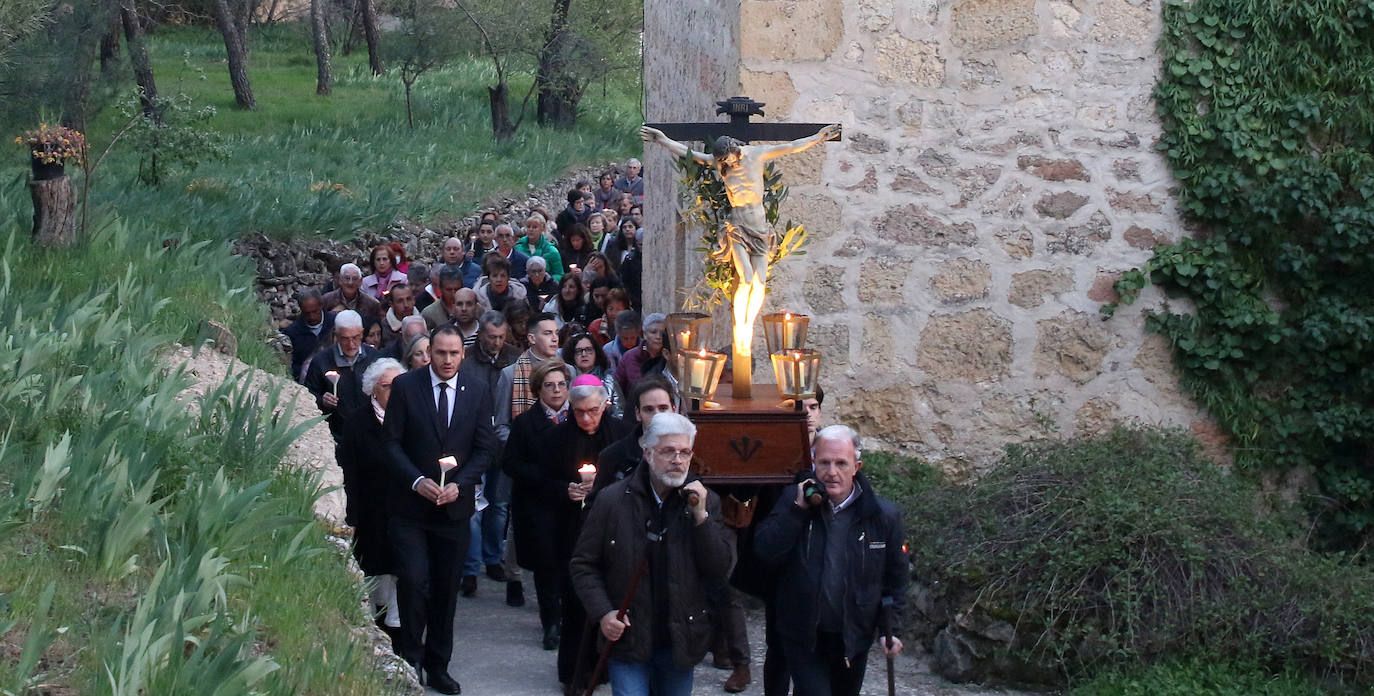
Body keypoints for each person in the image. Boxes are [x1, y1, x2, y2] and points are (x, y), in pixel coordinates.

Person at [642, 123, 840, 366]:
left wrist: (817, 138)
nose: (729, 164)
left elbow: (790, 146)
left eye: (730, 159)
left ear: (737, 150)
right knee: (745, 278)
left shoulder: (756, 155)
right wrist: (662, 140)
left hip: (759, 229)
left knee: (759, 280)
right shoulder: (721, 164)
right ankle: (742, 327)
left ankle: (748, 325)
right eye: (724, 161)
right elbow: (690, 155)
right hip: (737, 228)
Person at [570, 412, 735, 696]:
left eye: (685, 452)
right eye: (668, 451)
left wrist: (701, 518)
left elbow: (719, 568)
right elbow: (583, 564)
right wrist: (604, 613)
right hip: (629, 639)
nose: (678, 460)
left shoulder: (704, 503)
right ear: (648, 453)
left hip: (680, 640)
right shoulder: (612, 501)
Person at [380, 325, 499, 695]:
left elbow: (484, 448)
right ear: (429, 352)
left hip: (453, 510)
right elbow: (391, 444)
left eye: (454, 354)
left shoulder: (477, 390)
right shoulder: (405, 387)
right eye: (441, 353)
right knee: (414, 581)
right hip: (411, 508)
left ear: (462, 355)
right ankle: (411, 656)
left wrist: (461, 484)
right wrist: (416, 481)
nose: (447, 360)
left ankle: (438, 664)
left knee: (447, 589)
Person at [753, 425, 907, 696]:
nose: (831, 472)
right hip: (803, 634)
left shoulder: (881, 516)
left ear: (856, 466)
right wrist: (797, 511)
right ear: (813, 463)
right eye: (824, 462)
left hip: (853, 637)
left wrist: (890, 628)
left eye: (841, 463)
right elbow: (766, 551)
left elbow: (895, 577)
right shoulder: (793, 500)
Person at [504, 360, 574, 650]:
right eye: (549, 385)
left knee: (571, 565)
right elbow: (510, 463)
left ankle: (571, 619)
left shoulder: (578, 420)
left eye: (561, 385)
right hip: (538, 506)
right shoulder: (524, 424)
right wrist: (542, 477)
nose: (556, 391)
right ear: (538, 390)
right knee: (546, 568)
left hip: (571, 505)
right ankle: (551, 623)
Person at [340, 357, 406, 642]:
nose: (395, 392)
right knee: (374, 575)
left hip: (402, 513)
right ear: (373, 390)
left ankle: (402, 637)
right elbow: (350, 472)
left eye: (399, 386)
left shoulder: (410, 418)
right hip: (370, 512)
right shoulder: (356, 422)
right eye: (389, 386)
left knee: (402, 579)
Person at [303, 309, 379, 442]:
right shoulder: (321, 361)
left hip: (371, 434)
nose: (351, 345)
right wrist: (322, 400)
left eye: (355, 338)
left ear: (362, 333)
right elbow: (307, 396)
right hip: (336, 436)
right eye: (345, 339)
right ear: (336, 336)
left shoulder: (374, 358)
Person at [593, 375, 677, 493]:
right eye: (649, 409)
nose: (657, 416)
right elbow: (594, 506)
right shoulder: (612, 457)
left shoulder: (689, 451)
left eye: (663, 408)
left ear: (674, 410)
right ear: (638, 414)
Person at [563, 332, 622, 419]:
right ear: (572, 355)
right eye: (579, 351)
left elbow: (619, 412)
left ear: (596, 352)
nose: (584, 354)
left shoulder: (608, 380)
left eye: (588, 349)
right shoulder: (565, 380)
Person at [283, 289, 334, 383]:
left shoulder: (335, 323)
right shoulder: (292, 333)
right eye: (307, 313)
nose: (312, 317)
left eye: (315, 312)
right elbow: (293, 364)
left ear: (321, 306)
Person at [614, 312, 668, 397]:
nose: (658, 337)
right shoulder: (631, 357)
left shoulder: (669, 358)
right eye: (653, 332)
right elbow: (617, 388)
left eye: (662, 333)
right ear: (645, 334)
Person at [517, 213, 564, 283]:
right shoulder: (518, 248)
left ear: (542, 229)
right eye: (528, 227)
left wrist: (546, 280)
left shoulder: (551, 251)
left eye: (535, 227)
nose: (531, 229)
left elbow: (559, 274)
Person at [380, 283, 422, 347]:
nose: (406, 305)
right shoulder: (383, 328)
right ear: (391, 304)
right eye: (400, 301)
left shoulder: (425, 321)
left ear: (414, 300)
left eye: (408, 299)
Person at [603, 309, 641, 374]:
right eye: (625, 338)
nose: (629, 341)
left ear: (638, 333)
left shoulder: (645, 348)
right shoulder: (608, 350)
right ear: (618, 333)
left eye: (633, 338)